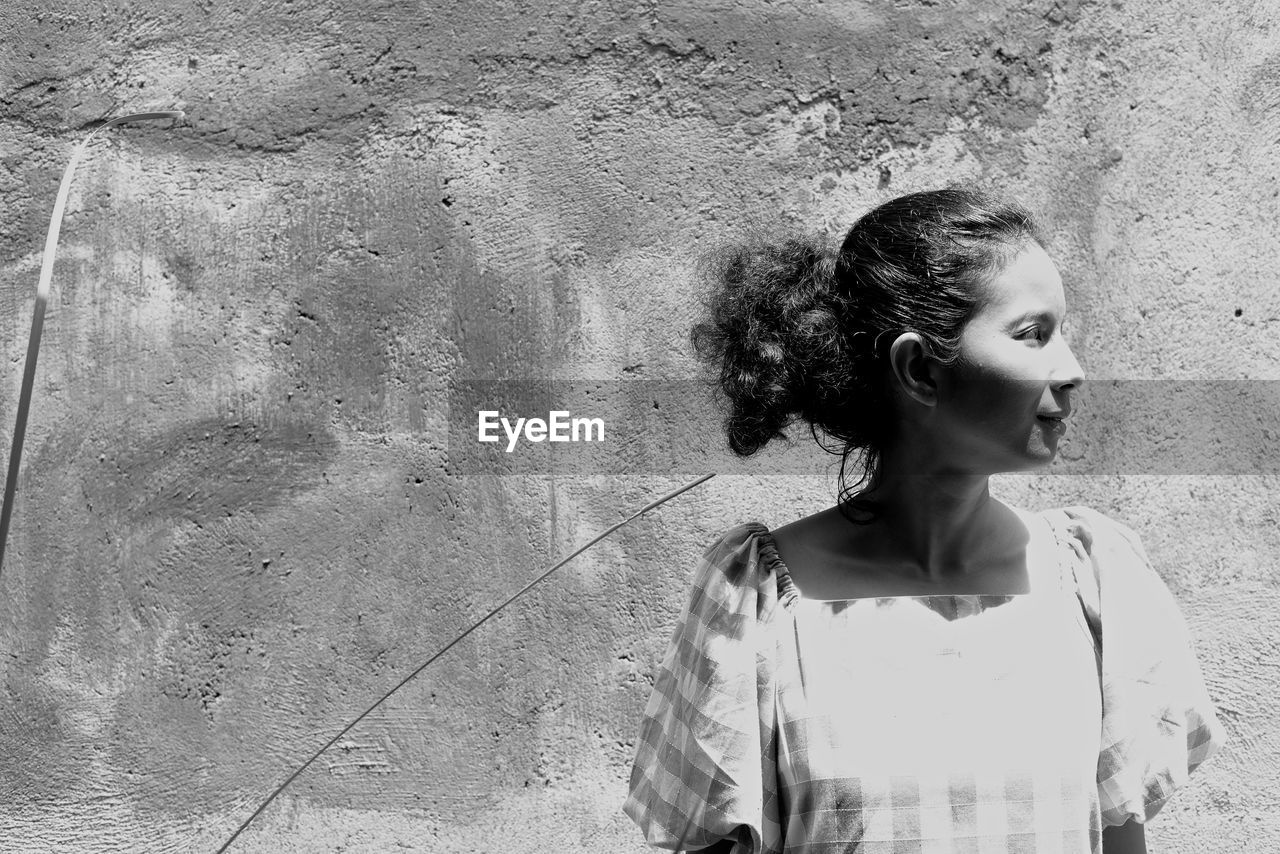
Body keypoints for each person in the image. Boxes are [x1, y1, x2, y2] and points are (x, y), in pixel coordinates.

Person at [623, 188, 1225, 854]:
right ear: (918, 368)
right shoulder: (760, 602)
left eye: (1065, 333)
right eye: (1034, 335)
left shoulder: (1094, 584)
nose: (1073, 371)